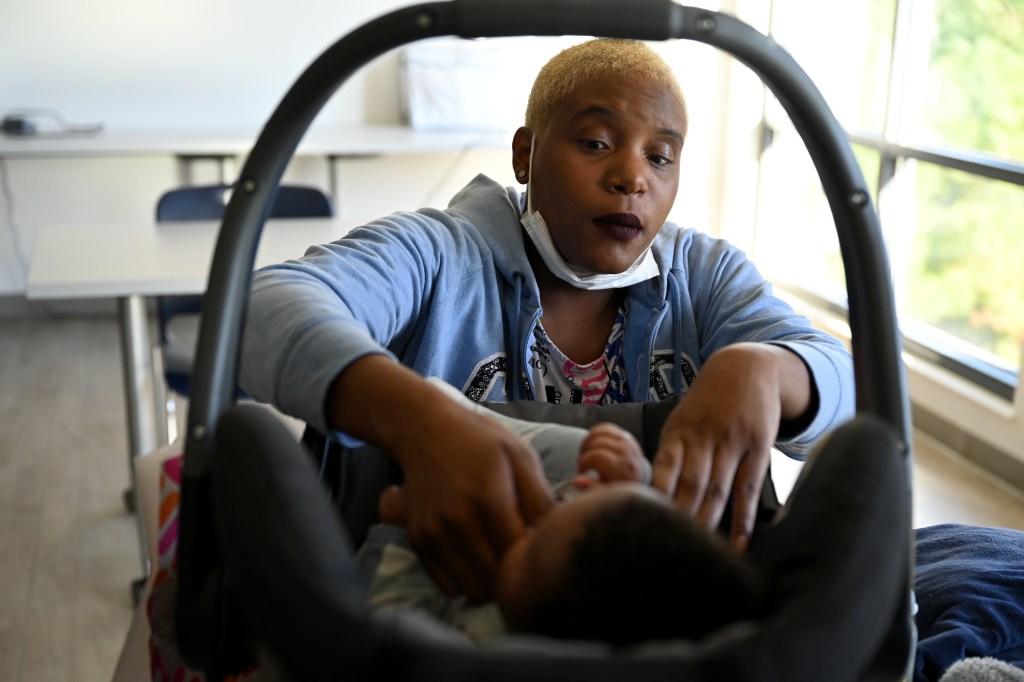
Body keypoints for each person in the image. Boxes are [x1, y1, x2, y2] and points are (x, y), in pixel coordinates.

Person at [239, 37, 854, 602]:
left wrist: (769, 370)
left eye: (661, 157)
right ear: (526, 155)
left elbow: (852, 396)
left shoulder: (705, 278)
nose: (632, 177)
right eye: (595, 142)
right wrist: (418, 419)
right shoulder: (438, 255)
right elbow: (261, 308)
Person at [356, 379, 765, 646]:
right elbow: (608, 526)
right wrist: (631, 472)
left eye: (532, 540)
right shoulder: (592, 554)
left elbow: (388, 616)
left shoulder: (477, 642)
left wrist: (399, 531)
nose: (534, 522)